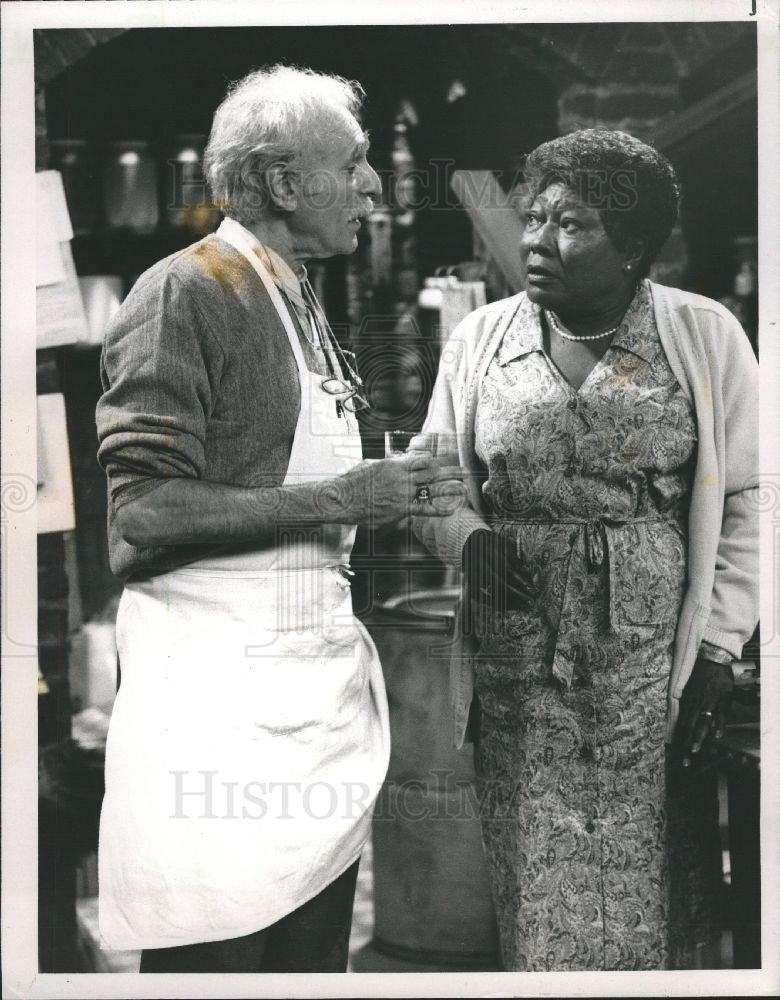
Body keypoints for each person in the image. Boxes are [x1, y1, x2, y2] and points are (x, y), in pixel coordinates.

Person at [95, 64, 463, 974]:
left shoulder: (296, 290)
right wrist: (348, 498)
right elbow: (140, 513)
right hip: (218, 711)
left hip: (306, 699)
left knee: (305, 965)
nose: (376, 184)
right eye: (358, 162)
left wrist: (401, 484)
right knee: (222, 964)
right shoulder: (187, 293)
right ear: (286, 183)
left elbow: (290, 471)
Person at [412, 129, 758, 971]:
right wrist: (469, 541)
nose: (536, 239)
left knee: (655, 881)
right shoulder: (482, 342)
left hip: (650, 667)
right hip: (520, 664)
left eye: (572, 223)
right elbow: (427, 484)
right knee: (540, 885)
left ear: (636, 245)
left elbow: (754, 498)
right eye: (534, 217)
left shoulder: (702, 337)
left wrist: (716, 647)